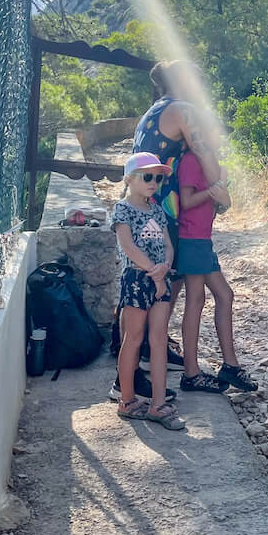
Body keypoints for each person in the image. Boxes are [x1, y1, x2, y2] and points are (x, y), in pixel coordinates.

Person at [129, 59, 229, 367]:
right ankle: (143, 351)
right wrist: (220, 190)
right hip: (159, 208)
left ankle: (142, 346)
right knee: (163, 280)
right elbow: (203, 151)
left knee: (158, 279)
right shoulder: (183, 110)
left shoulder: (156, 109)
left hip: (143, 205)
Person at [112, 152, 185, 430]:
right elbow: (128, 246)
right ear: (130, 179)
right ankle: (127, 400)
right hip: (136, 279)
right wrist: (154, 272)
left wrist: (165, 266)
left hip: (160, 280)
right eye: (147, 176)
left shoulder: (157, 210)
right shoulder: (123, 209)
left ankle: (157, 404)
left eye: (158, 177)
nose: (154, 182)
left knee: (158, 340)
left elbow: (167, 243)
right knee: (133, 339)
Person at [176, 149, 258, 394]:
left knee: (225, 295)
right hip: (190, 238)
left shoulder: (213, 163)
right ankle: (191, 373)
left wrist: (222, 191)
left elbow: (224, 205)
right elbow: (187, 201)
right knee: (196, 300)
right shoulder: (192, 160)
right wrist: (214, 190)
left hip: (203, 240)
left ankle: (230, 366)